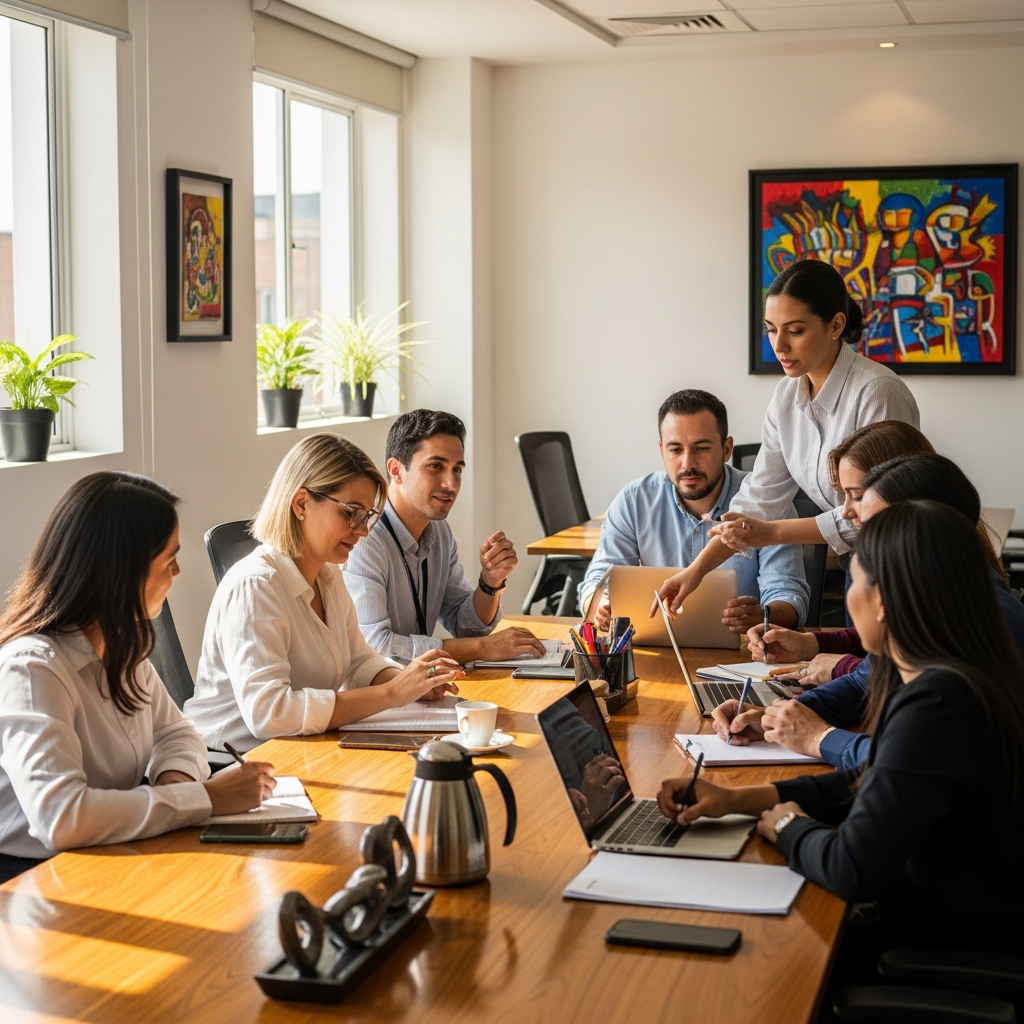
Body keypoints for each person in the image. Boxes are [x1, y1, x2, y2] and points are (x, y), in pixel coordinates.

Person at [659, 501, 1024, 959]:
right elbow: (882, 775)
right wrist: (743, 800)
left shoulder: (937, 704)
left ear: (883, 603)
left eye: (855, 580)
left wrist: (788, 825)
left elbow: (852, 867)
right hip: (952, 918)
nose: (848, 601)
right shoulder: (954, 672)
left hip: (945, 945)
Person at [0, 472, 275, 883]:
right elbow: (60, 817)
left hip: (114, 851)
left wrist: (175, 788)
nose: (178, 572)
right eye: (168, 559)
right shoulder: (32, 667)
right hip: (36, 877)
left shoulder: (120, 644)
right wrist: (202, 799)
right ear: (121, 571)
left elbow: (177, 735)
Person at [716, 454, 1024, 767]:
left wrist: (819, 738)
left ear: (924, 525)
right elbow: (869, 680)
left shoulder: (987, 621)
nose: (850, 518)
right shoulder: (929, 598)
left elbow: (914, 762)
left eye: (878, 527)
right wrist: (778, 716)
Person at [655, 260, 919, 617]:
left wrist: (772, 533)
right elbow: (758, 499)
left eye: (794, 330)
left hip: (907, 565)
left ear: (835, 325)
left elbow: (875, 512)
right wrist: (696, 571)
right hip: (861, 565)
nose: (779, 345)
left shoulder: (877, 391)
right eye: (771, 330)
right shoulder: (786, 396)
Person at [186, 433, 463, 753]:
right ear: (301, 502)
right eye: (351, 512)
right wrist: (392, 693)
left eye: (368, 516)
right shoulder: (256, 588)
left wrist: (410, 684)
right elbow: (270, 714)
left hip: (300, 749)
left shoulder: (328, 574)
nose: (361, 530)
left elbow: (358, 661)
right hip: (234, 761)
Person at [579, 389, 809, 633]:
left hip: (742, 657)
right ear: (661, 450)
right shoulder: (634, 500)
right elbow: (597, 580)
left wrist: (764, 615)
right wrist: (602, 605)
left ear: (727, 449)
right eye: (675, 450)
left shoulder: (766, 501)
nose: (687, 464)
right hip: (657, 653)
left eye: (701, 448)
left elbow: (790, 596)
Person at [345, 409, 545, 664]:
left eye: (457, 470)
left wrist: (490, 582)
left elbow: (465, 627)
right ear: (396, 470)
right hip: (379, 696)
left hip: (420, 689)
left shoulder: (439, 531)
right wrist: (482, 648)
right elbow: (376, 647)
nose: (451, 483)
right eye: (436, 466)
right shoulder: (365, 539)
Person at [752, 419, 934, 682]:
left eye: (857, 496)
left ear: (904, 492)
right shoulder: (910, 560)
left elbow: (907, 679)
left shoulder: (937, 580)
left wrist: (841, 667)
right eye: (844, 496)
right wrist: (810, 644)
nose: (846, 512)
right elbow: (882, 642)